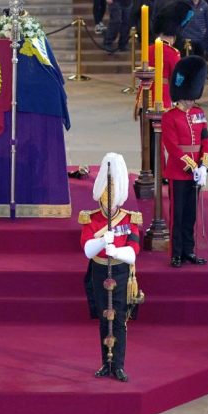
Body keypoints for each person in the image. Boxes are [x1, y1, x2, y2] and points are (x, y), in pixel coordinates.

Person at [79, 152, 141, 383]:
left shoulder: (129, 219)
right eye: (105, 196)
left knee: (120, 319)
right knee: (105, 318)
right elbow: (86, 249)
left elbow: (134, 251)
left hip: (121, 271)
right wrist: (102, 242)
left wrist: (117, 251)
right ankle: (106, 363)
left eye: (111, 196)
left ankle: (119, 365)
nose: (108, 201)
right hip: (98, 271)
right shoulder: (90, 218)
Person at [161, 56, 208, 267]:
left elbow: (205, 140)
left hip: (196, 171)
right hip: (178, 172)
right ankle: (176, 252)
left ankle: (189, 250)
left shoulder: (199, 113)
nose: (191, 101)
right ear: (180, 96)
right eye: (188, 98)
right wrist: (192, 167)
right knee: (177, 215)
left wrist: (204, 166)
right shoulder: (170, 116)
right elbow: (172, 147)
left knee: (191, 214)